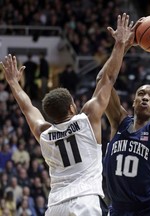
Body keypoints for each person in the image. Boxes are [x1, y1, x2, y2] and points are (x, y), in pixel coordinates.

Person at [0, 13, 138, 216]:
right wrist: (119, 44)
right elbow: (108, 78)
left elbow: (27, 108)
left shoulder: (44, 133)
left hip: (56, 206)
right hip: (85, 201)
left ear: (51, 115)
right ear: (72, 108)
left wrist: (13, 83)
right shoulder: (87, 119)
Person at [99, 21, 150, 215]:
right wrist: (122, 47)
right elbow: (102, 82)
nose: (145, 97)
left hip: (149, 210)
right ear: (134, 101)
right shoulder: (119, 121)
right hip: (118, 209)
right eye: (141, 94)